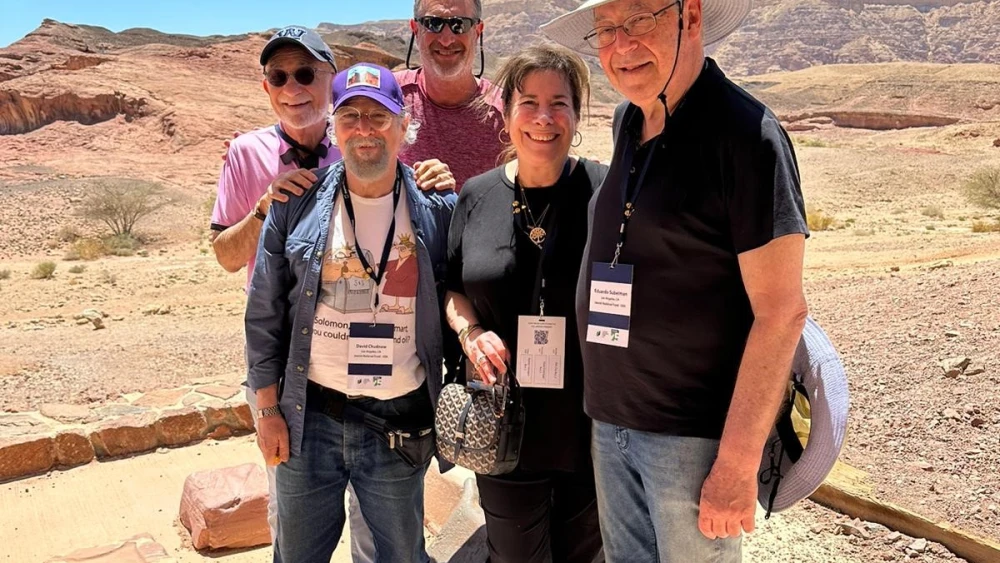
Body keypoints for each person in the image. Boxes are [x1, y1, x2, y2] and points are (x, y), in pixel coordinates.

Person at [542, 1, 810, 561]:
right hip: (612, 423)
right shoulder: (628, 122)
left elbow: (781, 312)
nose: (621, 46)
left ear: (689, 15)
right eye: (607, 29)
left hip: (692, 442)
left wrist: (736, 465)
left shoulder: (746, 134)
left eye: (639, 19)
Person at [245, 63, 454, 563]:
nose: (364, 129)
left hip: (398, 424)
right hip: (309, 417)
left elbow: (459, 296)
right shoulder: (295, 204)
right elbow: (263, 318)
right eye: (351, 116)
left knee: (401, 556)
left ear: (405, 126)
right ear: (334, 128)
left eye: (379, 116)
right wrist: (268, 410)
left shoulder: (436, 207)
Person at [445, 45, 607, 563]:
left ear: (577, 116)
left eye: (559, 103)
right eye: (528, 102)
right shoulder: (476, 195)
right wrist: (471, 333)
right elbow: (453, 289)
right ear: (506, 114)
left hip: (592, 427)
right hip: (503, 424)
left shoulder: (604, 191)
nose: (543, 118)